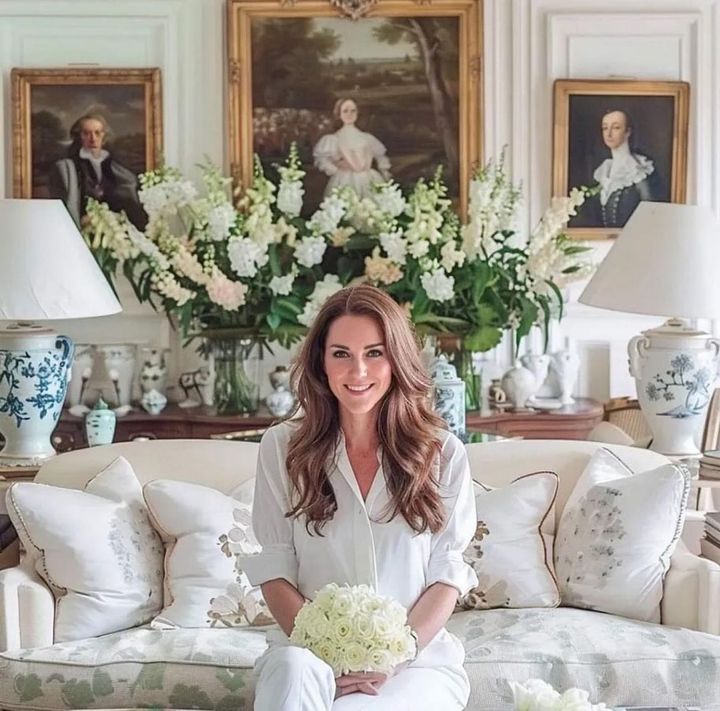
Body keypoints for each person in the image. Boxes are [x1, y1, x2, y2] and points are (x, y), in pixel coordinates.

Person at [240, 284, 477, 711]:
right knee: (292, 673)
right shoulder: (281, 447)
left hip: (415, 665)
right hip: (306, 653)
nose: (358, 372)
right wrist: (327, 651)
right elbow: (275, 568)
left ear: (397, 361)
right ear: (321, 363)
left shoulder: (442, 453)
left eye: (374, 353)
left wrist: (395, 653)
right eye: (341, 354)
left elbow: (447, 574)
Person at [49, 113, 147, 230]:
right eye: (86, 133)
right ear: (80, 136)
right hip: (82, 229)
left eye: (97, 133)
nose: (93, 138)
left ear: (104, 136)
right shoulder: (68, 168)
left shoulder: (117, 168)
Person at [591, 108, 658, 228]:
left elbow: (651, 215)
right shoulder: (604, 170)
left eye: (616, 127)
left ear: (628, 132)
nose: (609, 133)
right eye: (605, 128)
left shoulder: (638, 169)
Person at [313, 98, 392, 199]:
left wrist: (384, 169)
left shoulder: (367, 137)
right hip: (345, 179)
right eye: (345, 111)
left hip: (369, 177)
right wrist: (335, 169)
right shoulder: (334, 139)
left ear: (357, 113)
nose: (349, 114)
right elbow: (322, 159)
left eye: (353, 111)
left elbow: (380, 155)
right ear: (339, 114)